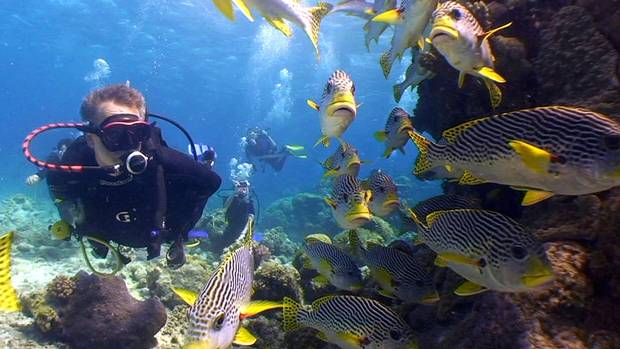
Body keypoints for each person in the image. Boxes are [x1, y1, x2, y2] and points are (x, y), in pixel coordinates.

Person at [46, 84, 221, 269]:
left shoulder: (161, 160)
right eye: (115, 134)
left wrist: (179, 231)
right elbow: (59, 188)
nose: (129, 145)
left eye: (138, 133)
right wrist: (71, 221)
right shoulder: (73, 163)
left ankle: (206, 159)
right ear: (91, 139)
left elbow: (211, 182)